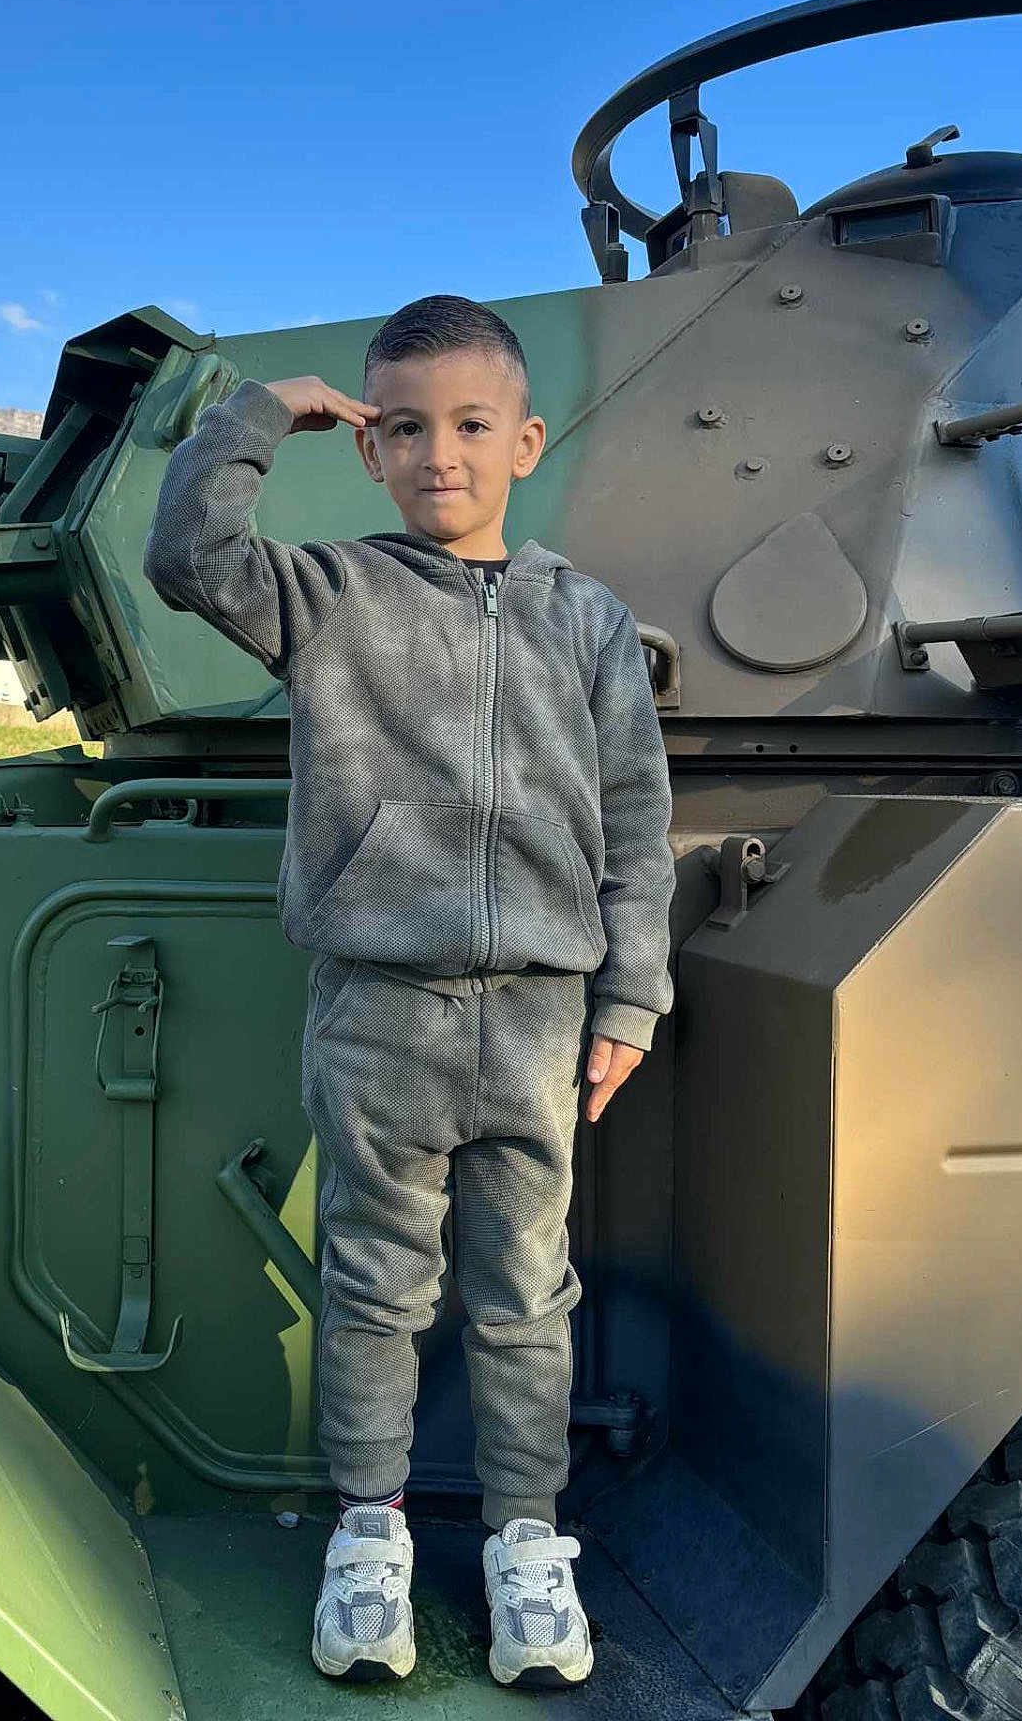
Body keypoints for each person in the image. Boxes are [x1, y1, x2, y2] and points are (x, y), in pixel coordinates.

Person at [142, 293, 675, 1688]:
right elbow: (189, 553)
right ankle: (368, 1537)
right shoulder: (330, 596)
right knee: (373, 1287)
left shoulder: (588, 621)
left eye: (471, 425)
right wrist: (266, 413)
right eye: (404, 429)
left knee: (525, 1297)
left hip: (543, 1019)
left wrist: (630, 999)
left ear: (526, 440)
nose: (441, 454)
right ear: (370, 450)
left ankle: (524, 1543)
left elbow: (635, 818)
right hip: (379, 1009)